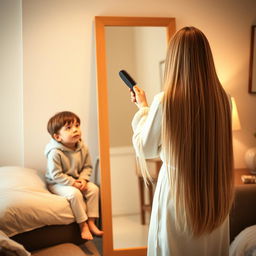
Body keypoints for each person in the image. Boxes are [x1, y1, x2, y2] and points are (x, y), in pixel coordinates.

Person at [130, 27, 234, 256]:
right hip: (214, 191)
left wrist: (143, 110)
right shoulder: (223, 99)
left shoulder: (166, 100)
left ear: (174, 59)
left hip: (177, 192)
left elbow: (146, 149)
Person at [45, 111, 103, 240]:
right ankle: (83, 225)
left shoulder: (83, 147)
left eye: (77, 125)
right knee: (74, 194)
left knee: (94, 189)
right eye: (69, 128)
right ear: (58, 137)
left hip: (77, 180)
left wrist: (83, 179)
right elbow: (56, 175)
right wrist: (73, 183)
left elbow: (87, 167)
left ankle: (92, 222)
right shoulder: (55, 153)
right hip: (57, 183)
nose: (75, 130)